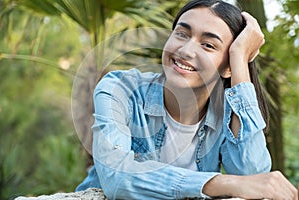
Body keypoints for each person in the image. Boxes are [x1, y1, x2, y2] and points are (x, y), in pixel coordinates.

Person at [76, 0, 298, 199]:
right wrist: (219, 182)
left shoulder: (226, 115)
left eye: (208, 45)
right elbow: (117, 178)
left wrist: (240, 58)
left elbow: (252, 176)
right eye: (182, 34)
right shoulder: (119, 88)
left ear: (227, 65)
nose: (186, 49)